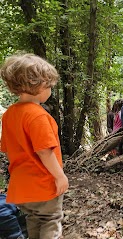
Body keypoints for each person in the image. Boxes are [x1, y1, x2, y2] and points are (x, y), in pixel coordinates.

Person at [0, 54, 69, 238]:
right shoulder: (38, 116)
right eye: (49, 86)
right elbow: (44, 151)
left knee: (33, 220)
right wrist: (59, 176)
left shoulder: (9, 115)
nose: (50, 90)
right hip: (43, 185)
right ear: (37, 86)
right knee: (50, 220)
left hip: (21, 188)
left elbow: (8, 151)